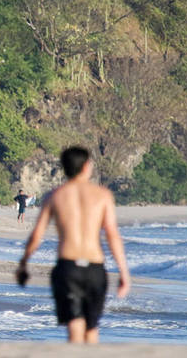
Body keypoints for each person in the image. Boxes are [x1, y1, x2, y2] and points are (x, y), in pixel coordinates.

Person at [15, 146, 131, 344]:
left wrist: (24, 263)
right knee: (92, 329)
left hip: (68, 268)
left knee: (74, 329)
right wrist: (123, 272)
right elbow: (112, 235)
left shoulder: (55, 196)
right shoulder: (102, 195)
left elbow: (37, 234)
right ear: (86, 167)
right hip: (94, 268)